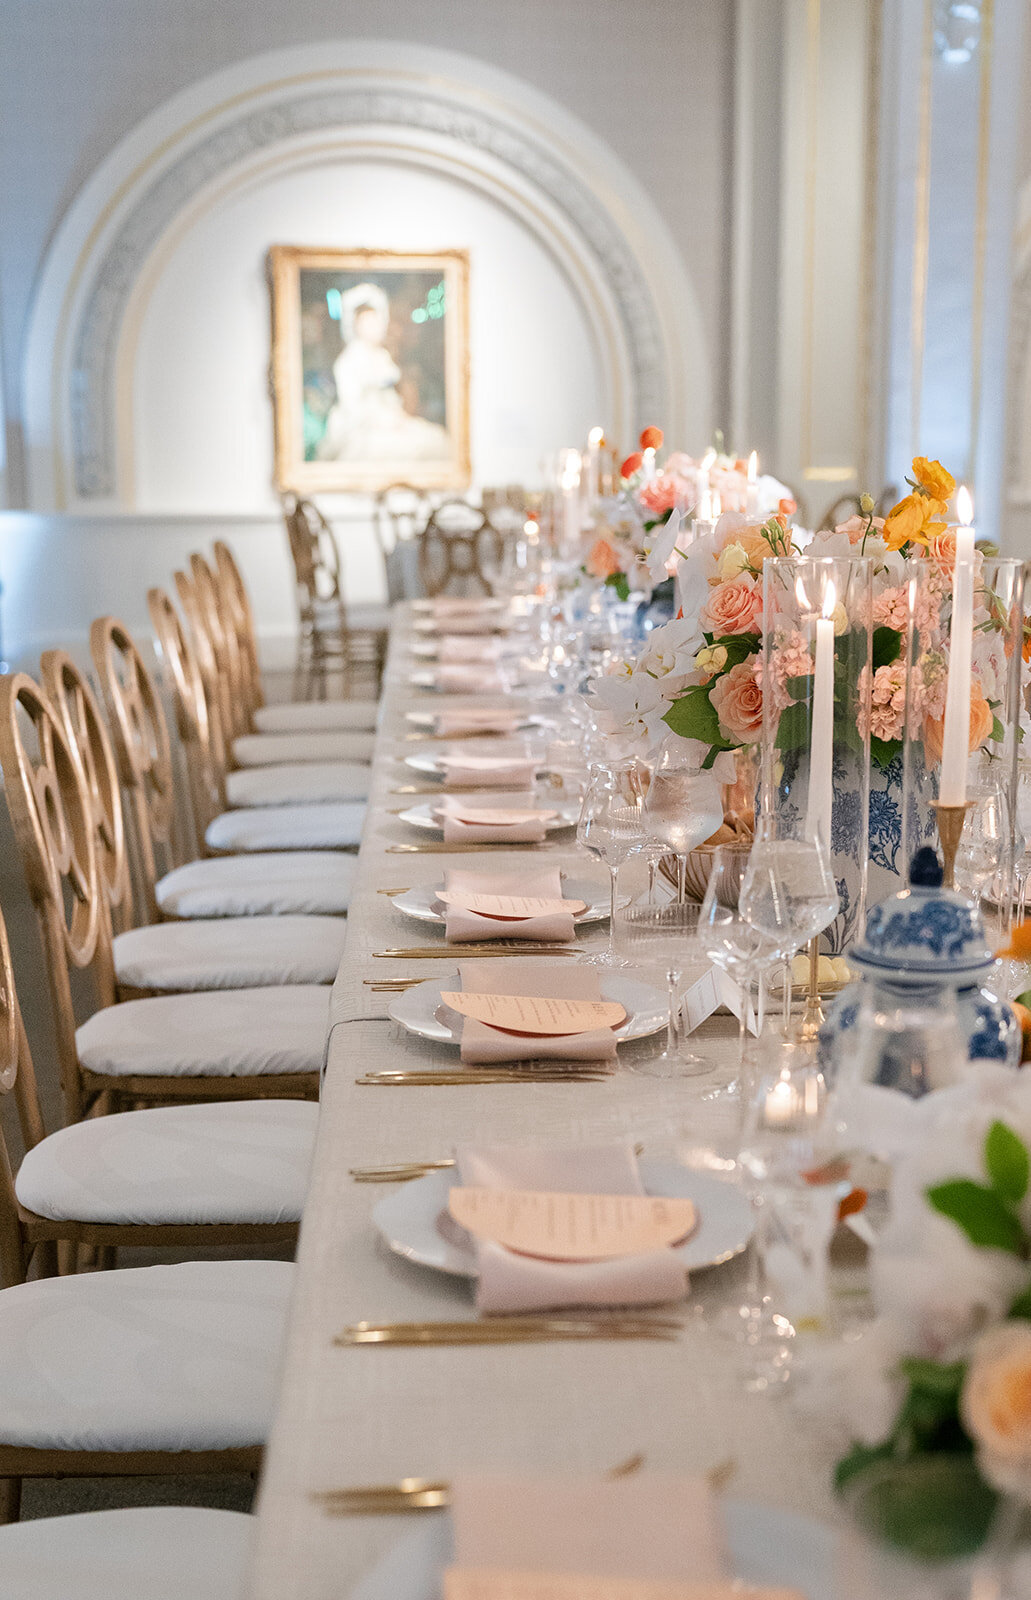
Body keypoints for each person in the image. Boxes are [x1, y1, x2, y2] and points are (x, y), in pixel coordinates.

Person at [317, 282, 449, 462]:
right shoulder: (348, 361)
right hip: (362, 427)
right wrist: (381, 420)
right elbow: (352, 406)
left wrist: (397, 416)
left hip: (391, 419)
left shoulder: (382, 355)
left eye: (376, 321)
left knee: (436, 440)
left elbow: (390, 395)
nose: (374, 327)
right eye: (367, 322)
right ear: (356, 325)